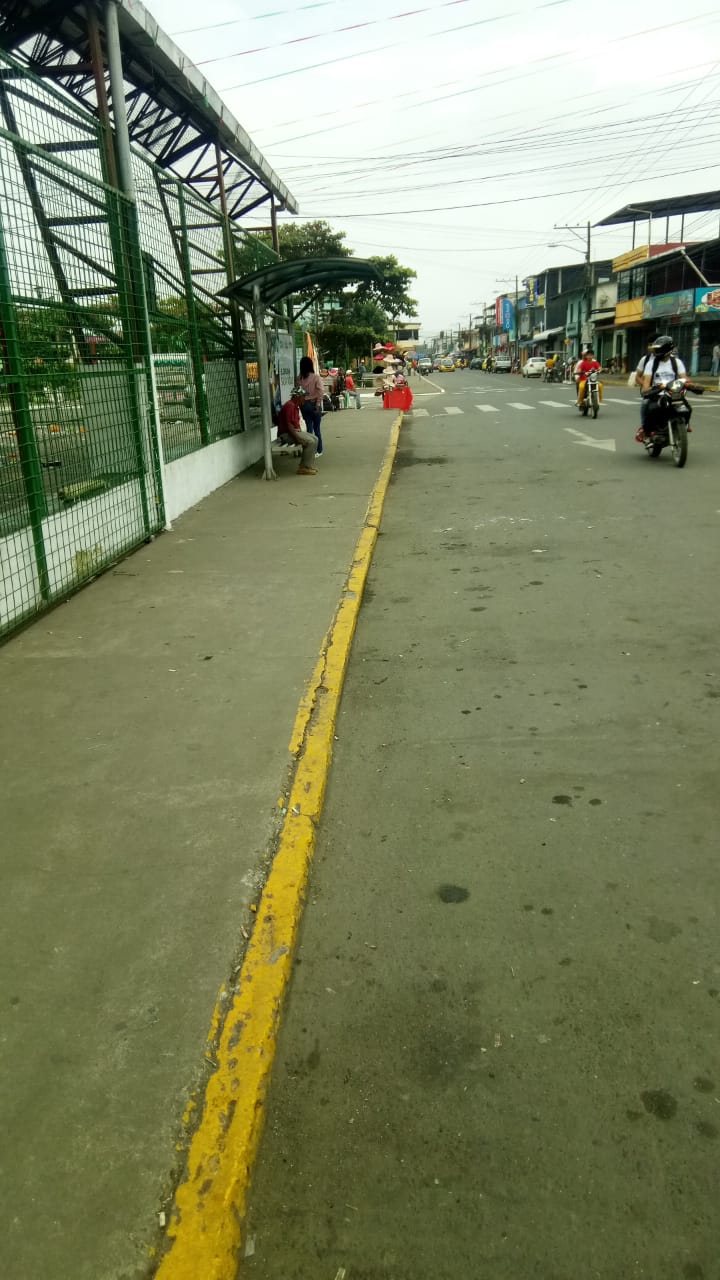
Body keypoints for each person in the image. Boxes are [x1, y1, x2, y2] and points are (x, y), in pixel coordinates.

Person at [639, 335, 691, 439]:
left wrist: (690, 384)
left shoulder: (677, 362)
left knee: (688, 409)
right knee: (650, 409)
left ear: (666, 349)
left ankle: (684, 425)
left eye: (658, 349)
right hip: (657, 395)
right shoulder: (651, 364)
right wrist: (648, 389)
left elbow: (684, 378)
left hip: (674, 394)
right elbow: (646, 383)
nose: (656, 351)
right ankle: (646, 431)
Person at [275, 386, 318, 475]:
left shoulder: (295, 406)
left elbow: (295, 425)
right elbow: (289, 426)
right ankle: (304, 467)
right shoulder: (290, 406)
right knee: (310, 441)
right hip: (286, 435)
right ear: (297, 396)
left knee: (315, 439)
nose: (304, 399)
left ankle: (307, 465)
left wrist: (301, 434)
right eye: (303, 396)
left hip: (293, 432)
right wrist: (298, 439)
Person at [298, 355, 324, 456]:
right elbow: (320, 391)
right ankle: (319, 450)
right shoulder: (316, 377)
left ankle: (310, 451)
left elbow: (298, 393)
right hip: (314, 404)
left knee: (309, 429)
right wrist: (318, 404)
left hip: (304, 405)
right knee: (317, 429)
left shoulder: (299, 379)